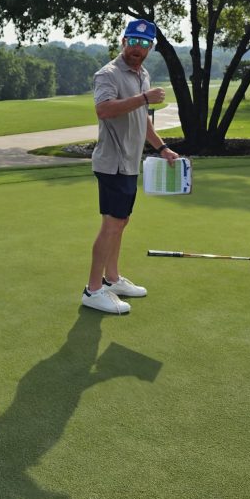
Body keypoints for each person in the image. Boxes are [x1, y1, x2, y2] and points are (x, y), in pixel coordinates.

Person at [83, 19, 180, 315]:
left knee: (120, 223)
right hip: (111, 162)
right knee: (111, 225)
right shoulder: (108, 74)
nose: (138, 49)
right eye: (133, 42)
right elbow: (104, 109)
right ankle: (93, 290)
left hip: (129, 163)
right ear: (124, 41)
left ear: (150, 47)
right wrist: (143, 98)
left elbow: (142, 120)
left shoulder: (143, 74)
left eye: (144, 44)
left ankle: (112, 279)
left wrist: (161, 147)